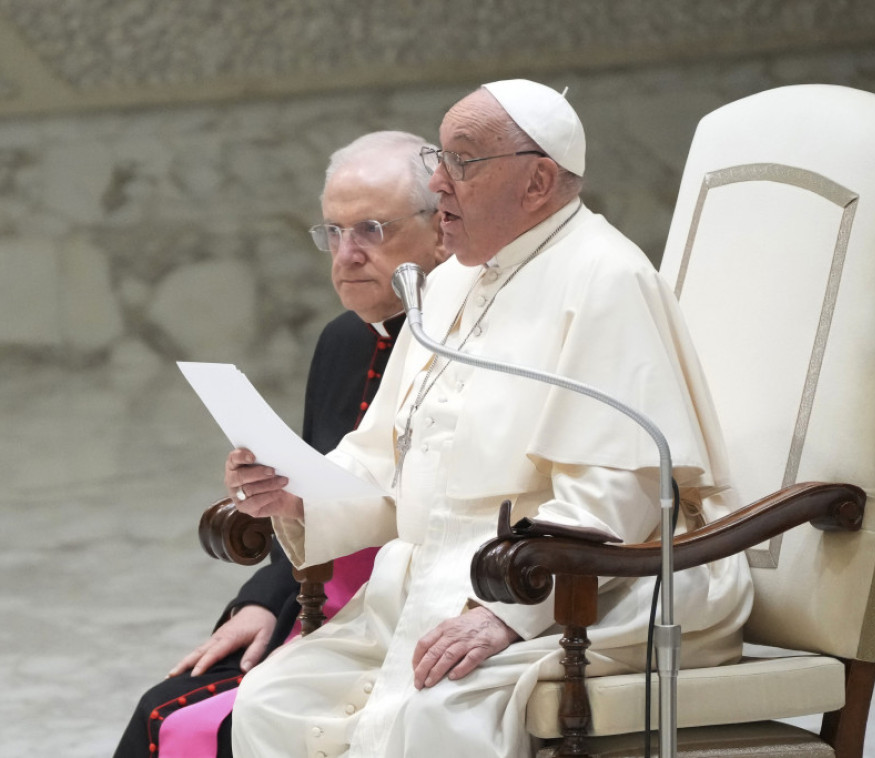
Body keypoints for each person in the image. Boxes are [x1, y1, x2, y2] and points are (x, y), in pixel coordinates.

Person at [228, 79, 753, 758]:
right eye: (438, 161)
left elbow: (617, 491)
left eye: (462, 162)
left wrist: (507, 613)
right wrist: (298, 492)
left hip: (579, 592)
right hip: (421, 584)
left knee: (437, 719)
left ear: (537, 182)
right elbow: (382, 456)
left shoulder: (605, 279)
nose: (438, 183)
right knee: (273, 700)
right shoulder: (447, 283)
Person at [114, 130, 448, 758]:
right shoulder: (343, 340)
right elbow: (312, 490)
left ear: (442, 226)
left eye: (371, 230)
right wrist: (264, 599)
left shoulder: (465, 347)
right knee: (164, 707)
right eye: (332, 232)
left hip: (411, 612)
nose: (345, 255)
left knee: (202, 722)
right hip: (317, 599)